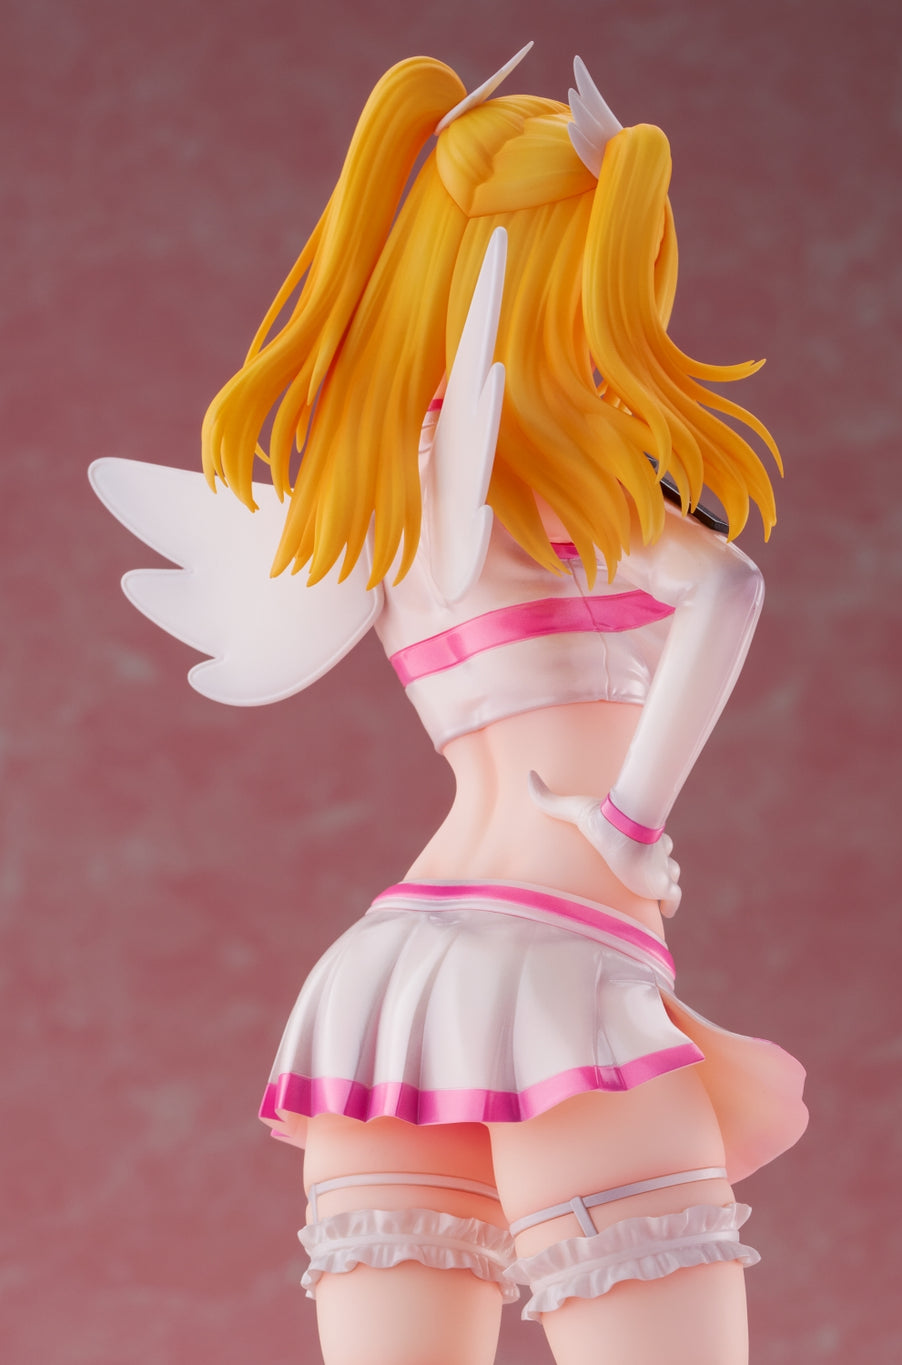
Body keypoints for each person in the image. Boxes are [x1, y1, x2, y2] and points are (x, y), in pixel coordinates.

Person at [91, 48, 806, 1365]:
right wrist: (631, 825)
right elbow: (728, 586)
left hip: (385, 987)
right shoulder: (552, 464)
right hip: (558, 973)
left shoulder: (378, 489)